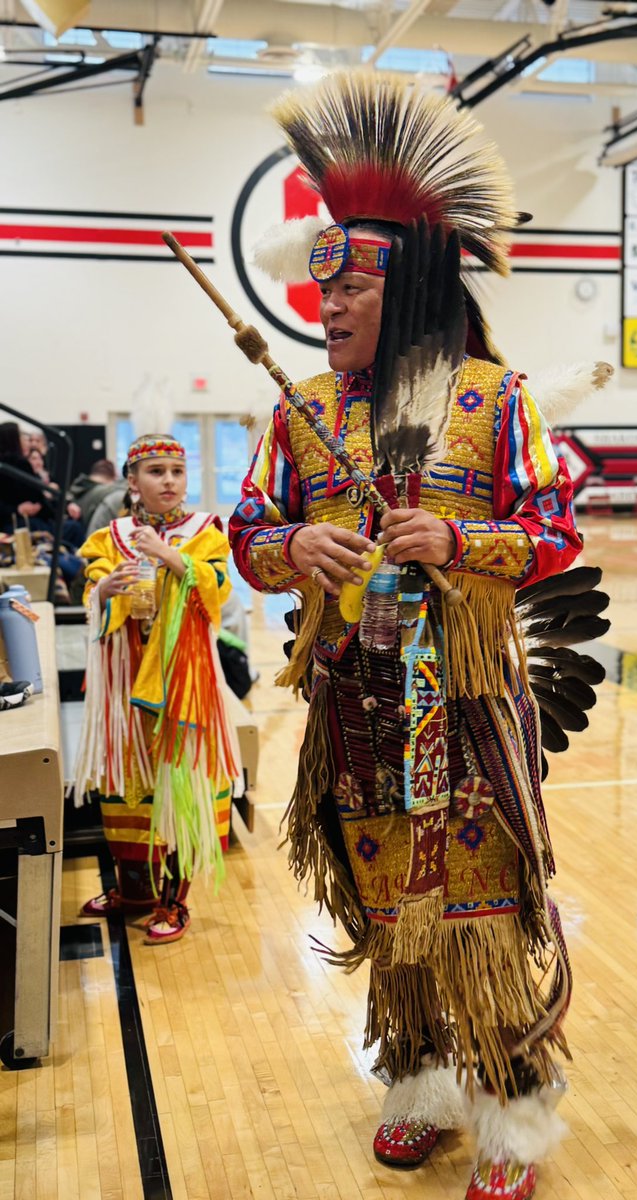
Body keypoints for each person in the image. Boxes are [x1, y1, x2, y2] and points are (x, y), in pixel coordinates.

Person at [229, 73, 581, 1200]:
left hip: (462, 709)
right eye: (321, 288)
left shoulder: (494, 397)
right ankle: (421, 1083)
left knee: (480, 917)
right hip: (354, 706)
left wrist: (459, 538)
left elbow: (555, 531)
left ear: (409, 286)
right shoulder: (302, 411)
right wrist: (295, 546)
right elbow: (247, 531)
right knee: (392, 916)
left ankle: (515, 1111)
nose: (326, 307)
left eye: (351, 287)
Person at [74, 432, 242, 943]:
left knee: (182, 784)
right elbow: (92, 587)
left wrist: (171, 558)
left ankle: (175, 900)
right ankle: (133, 892)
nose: (168, 481)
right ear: (132, 481)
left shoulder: (205, 530)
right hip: (126, 685)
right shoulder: (113, 534)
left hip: (184, 683)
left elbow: (218, 590)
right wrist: (104, 591)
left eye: (176, 471)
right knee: (129, 786)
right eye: (155, 471)